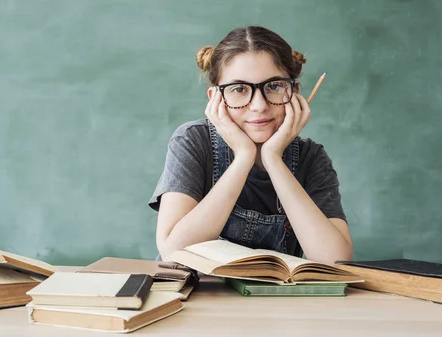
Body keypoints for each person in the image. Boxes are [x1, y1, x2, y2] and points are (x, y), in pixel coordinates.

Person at [148, 26, 353, 265]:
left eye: (274, 86)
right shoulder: (193, 141)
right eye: (238, 89)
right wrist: (244, 157)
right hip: (199, 299)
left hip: (276, 301)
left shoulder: (311, 157)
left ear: (294, 92)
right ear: (216, 98)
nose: (258, 106)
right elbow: (174, 252)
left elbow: (336, 260)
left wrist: (273, 159)